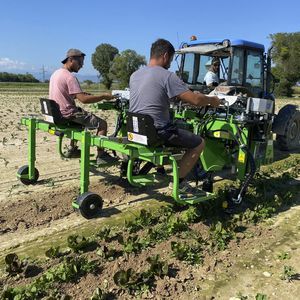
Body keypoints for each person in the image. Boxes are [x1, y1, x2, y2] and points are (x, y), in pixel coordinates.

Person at [129, 39, 221, 191]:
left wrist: (184, 96)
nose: (170, 64)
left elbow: (155, 95)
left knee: (177, 127)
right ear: (165, 56)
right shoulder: (167, 75)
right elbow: (197, 101)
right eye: (170, 60)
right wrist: (212, 100)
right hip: (158, 132)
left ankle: (164, 169)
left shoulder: (135, 75)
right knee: (199, 143)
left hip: (136, 129)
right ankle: (179, 183)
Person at [49, 48, 117, 164]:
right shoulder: (70, 77)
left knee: (80, 120)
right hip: (68, 114)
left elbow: (66, 94)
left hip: (56, 113)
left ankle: (72, 149)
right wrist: (104, 96)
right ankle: (101, 155)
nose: (81, 66)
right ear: (71, 60)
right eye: (80, 63)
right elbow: (84, 100)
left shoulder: (56, 73)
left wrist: (79, 94)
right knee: (102, 124)